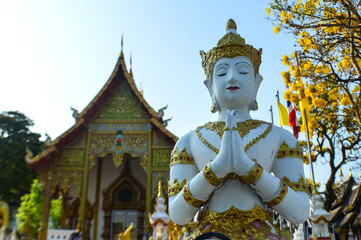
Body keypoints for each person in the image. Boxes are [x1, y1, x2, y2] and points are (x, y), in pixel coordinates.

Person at [168, 19, 310, 240]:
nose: (232, 77)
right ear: (210, 87)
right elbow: (178, 215)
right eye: (222, 72)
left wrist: (250, 170)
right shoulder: (189, 141)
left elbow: (300, 212)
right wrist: (215, 170)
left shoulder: (280, 138)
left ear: (256, 83)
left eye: (243, 71)